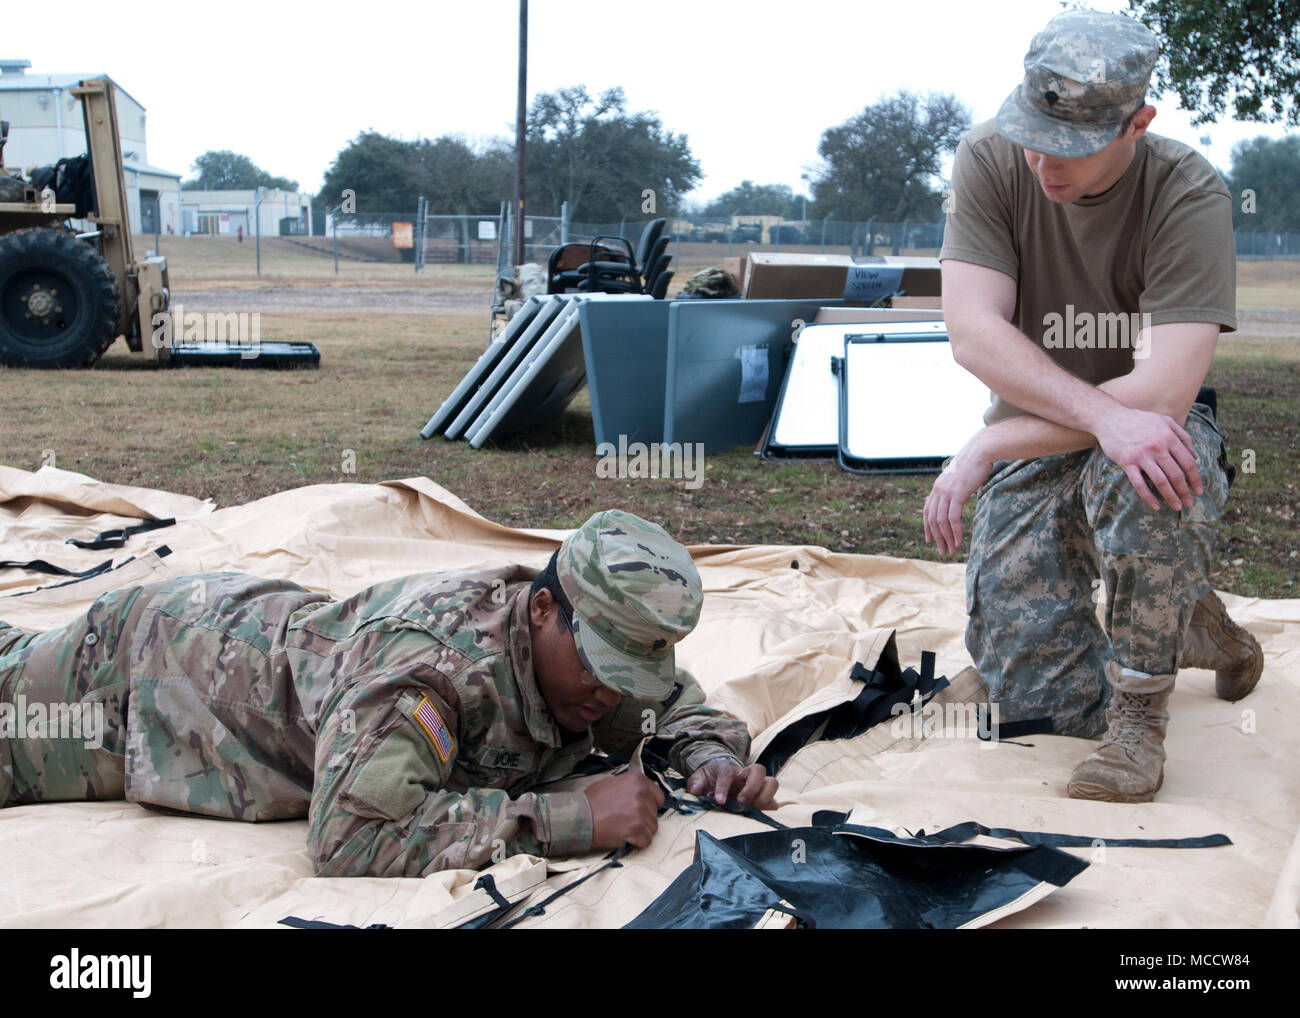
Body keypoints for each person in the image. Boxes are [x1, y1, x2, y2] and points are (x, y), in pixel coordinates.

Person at [0, 510, 777, 876]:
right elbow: (349, 835)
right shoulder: (431, 674)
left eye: (632, 672)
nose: (613, 695)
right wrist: (575, 817)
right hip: (152, 669)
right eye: (602, 665)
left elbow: (677, 706)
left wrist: (709, 757)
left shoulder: (595, 662)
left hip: (267, 624)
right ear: (542, 609)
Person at [923, 10, 1262, 803]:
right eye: (1031, 131)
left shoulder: (1189, 192)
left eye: (1069, 145)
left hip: (1152, 430)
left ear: (1137, 123)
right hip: (1042, 433)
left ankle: (1141, 718)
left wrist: (990, 447)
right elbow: (972, 330)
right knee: (1035, 706)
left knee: (1141, 460)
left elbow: (1160, 393)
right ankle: (1194, 617)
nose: (1042, 160)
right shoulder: (987, 155)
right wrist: (1056, 428)